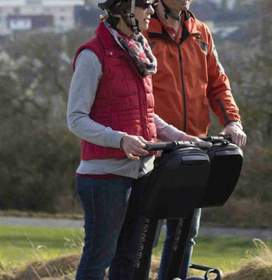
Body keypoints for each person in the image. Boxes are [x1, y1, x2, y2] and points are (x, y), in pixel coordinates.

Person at [66, 0, 198, 279]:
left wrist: (177, 135)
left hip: (141, 173)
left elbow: (146, 113)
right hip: (103, 179)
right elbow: (76, 119)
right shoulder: (93, 55)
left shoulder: (138, 52)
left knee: (129, 261)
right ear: (123, 10)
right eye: (144, 5)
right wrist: (121, 140)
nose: (151, 11)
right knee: (98, 260)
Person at [144, 1, 246, 279]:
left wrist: (231, 121)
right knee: (144, 235)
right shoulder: (144, 30)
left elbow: (217, 83)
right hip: (154, 147)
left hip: (195, 149)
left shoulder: (200, 32)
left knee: (185, 233)